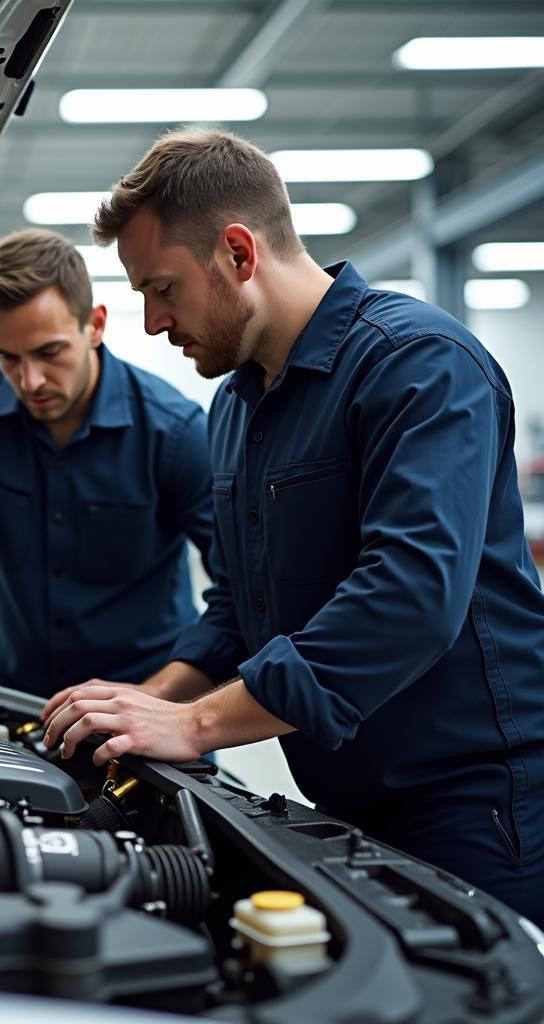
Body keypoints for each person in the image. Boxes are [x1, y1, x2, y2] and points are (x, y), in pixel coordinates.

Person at [42, 128, 544, 922]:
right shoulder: (237, 406)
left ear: (239, 253)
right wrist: (144, 704)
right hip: (348, 805)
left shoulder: (419, 365)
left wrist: (197, 723)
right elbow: (242, 606)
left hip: (475, 807)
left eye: (163, 288)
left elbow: (410, 599)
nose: (149, 322)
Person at [0, 228, 214, 733]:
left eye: (49, 351)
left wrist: (156, 699)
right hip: (10, 704)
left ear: (95, 326)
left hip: (145, 715)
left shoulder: (174, 432)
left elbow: (241, 590)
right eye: (8, 358)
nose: (29, 381)